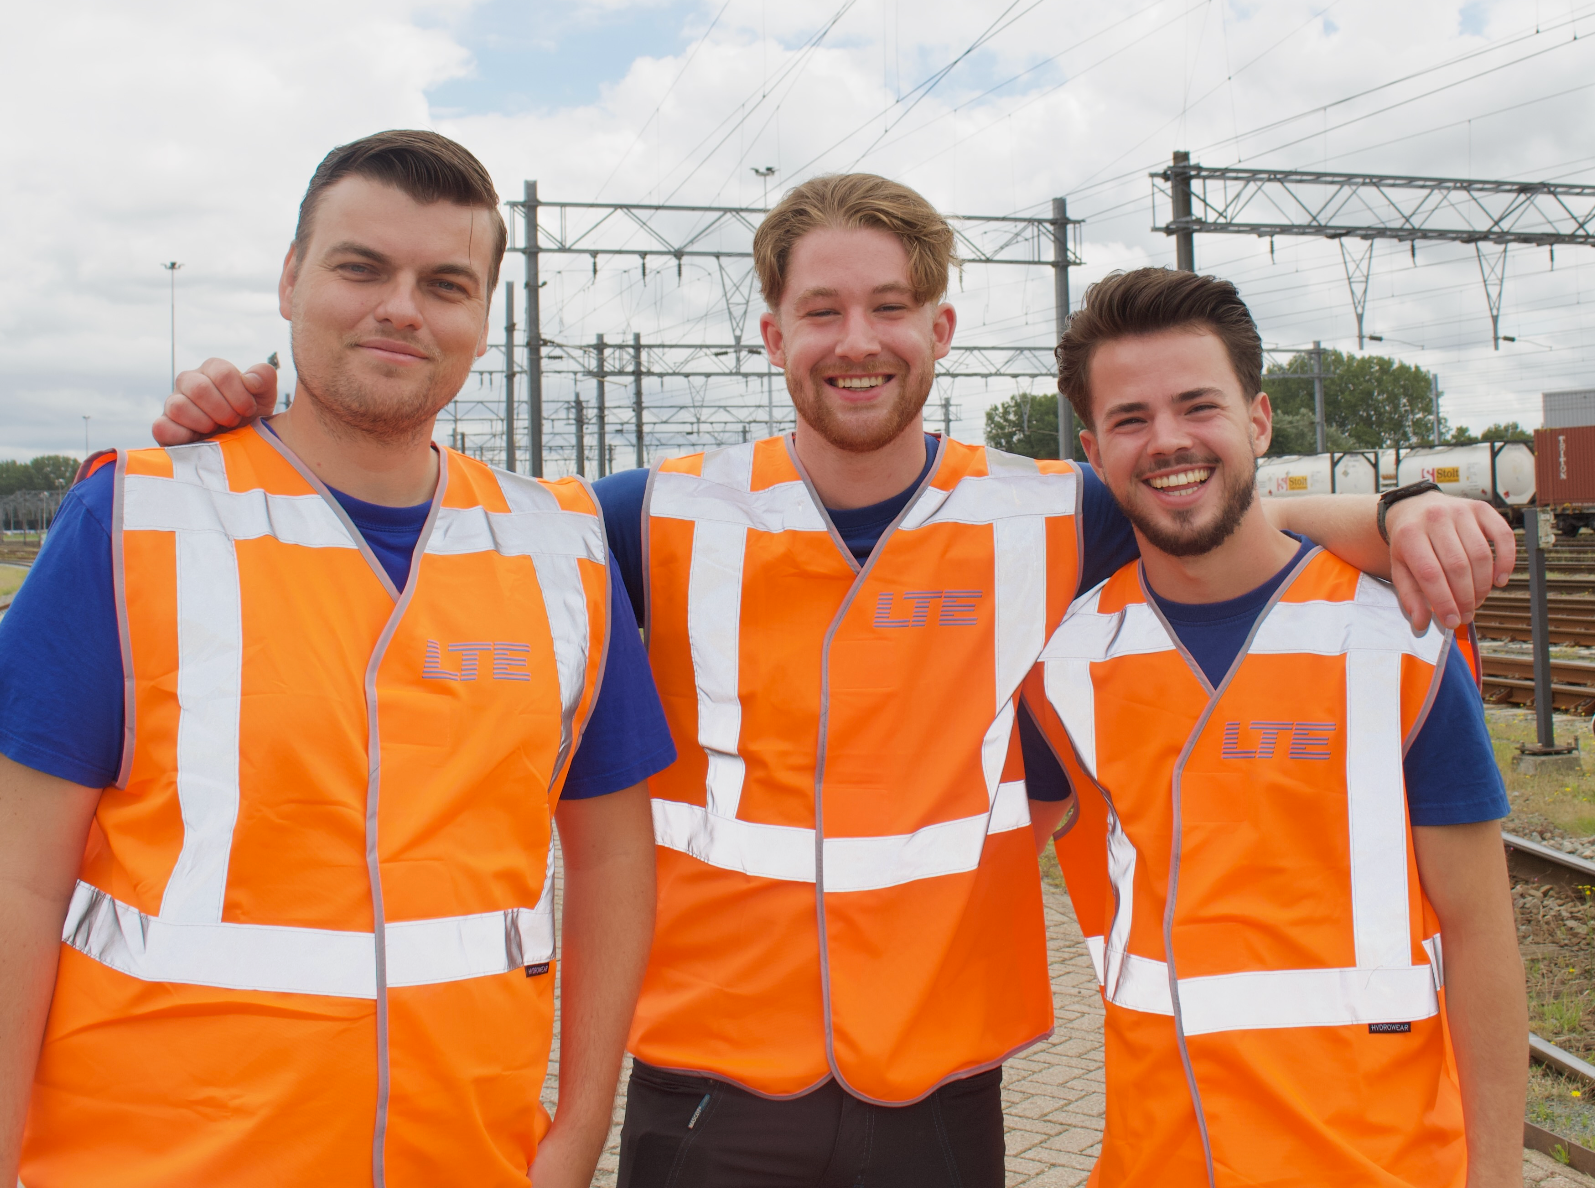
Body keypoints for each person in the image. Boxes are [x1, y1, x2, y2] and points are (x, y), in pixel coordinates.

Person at [156, 173, 1516, 1187]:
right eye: (821, 311)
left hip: (942, 1089)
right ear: (772, 335)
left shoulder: (1049, 514)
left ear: (941, 326)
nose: (855, 340)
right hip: (703, 1089)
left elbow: (1212, 509)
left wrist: (1399, 507)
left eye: (887, 308)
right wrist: (268, 420)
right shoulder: (648, 516)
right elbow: (431, 510)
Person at [0, 130, 675, 1188]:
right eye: (361, 268)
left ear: (483, 320)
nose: (401, 308)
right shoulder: (136, 518)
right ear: (290, 281)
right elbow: (13, 883)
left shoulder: (562, 551)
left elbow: (610, 858)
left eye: (446, 284)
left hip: (467, 1162)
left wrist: (581, 1131)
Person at [1022, 267, 1526, 1187]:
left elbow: (1481, 935)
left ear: (1258, 421)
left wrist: (1494, 1176)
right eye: (1131, 419)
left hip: (1382, 1168)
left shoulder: (1399, 642)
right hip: (1155, 1164)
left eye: (1198, 406)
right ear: (1094, 451)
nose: (1168, 441)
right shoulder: (1064, 666)